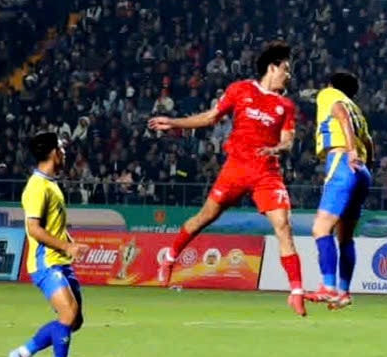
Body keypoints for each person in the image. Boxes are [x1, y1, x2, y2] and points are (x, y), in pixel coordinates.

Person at [147, 41, 309, 317]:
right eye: (286, 69)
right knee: (204, 218)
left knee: (283, 225)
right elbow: (211, 117)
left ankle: (296, 292)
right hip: (236, 168)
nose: (289, 75)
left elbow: (288, 140)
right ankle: (170, 258)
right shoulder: (240, 89)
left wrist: (278, 148)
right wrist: (174, 123)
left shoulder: (285, 106)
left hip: (266, 172)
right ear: (272, 68)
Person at [9, 131, 83, 357]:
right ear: (53, 152)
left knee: (74, 321)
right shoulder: (37, 186)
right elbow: (34, 229)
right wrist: (65, 246)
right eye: (61, 149)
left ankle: (23, 353)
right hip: (45, 262)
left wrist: (69, 243)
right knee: (68, 315)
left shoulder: (50, 184)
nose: (64, 153)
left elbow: (53, 225)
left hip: (60, 261)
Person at [308, 70, 372, 309]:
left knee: (320, 228)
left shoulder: (329, 95)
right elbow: (369, 142)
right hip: (361, 172)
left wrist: (350, 151)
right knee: (345, 237)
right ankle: (344, 292)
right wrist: (364, 165)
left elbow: (340, 113)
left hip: (342, 160)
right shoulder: (359, 112)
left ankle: (328, 287)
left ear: (332, 85)